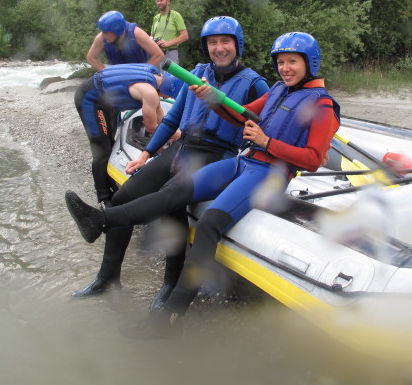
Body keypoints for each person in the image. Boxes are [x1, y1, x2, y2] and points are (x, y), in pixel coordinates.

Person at [65, 32, 341, 338]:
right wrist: (211, 98)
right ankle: (99, 220)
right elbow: (240, 115)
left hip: (269, 174)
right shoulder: (278, 90)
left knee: (209, 224)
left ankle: (170, 318)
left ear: (309, 63)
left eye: (293, 62)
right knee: (174, 192)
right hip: (243, 162)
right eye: (281, 62)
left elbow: (314, 159)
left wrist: (267, 141)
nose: (286, 68)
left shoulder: (324, 105)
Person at [66, 16, 270, 305]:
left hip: (215, 154)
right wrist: (147, 153)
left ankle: (170, 286)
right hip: (180, 148)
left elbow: (266, 126)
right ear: (206, 46)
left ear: (238, 45)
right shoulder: (197, 72)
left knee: (171, 206)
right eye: (213, 42)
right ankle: (107, 277)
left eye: (226, 42)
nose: (219, 48)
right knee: (122, 197)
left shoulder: (254, 84)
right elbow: (173, 117)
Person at [77, 11, 165, 204]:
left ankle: (110, 182)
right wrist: (109, 74)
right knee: (102, 148)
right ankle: (104, 198)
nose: (103, 36)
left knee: (110, 139)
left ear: (118, 30)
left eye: (106, 33)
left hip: (127, 85)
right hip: (96, 96)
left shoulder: (136, 33)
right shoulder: (103, 36)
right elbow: (91, 57)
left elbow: (158, 54)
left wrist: (140, 72)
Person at [150, 0, 189, 64]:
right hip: (157, 53)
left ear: (168, 1)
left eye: (161, 0)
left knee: (170, 75)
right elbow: (152, 35)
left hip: (171, 53)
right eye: (157, 1)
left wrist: (168, 43)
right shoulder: (156, 18)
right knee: (158, 75)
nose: (159, 3)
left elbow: (185, 36)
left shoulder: (175, 15)